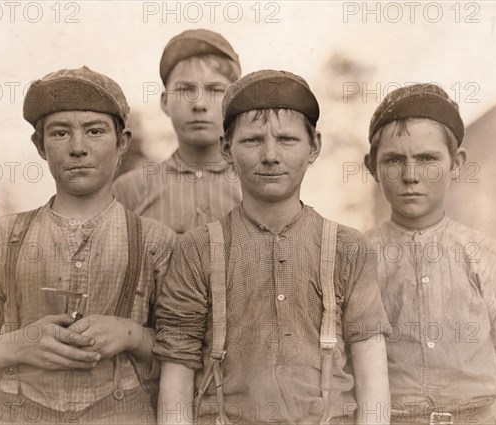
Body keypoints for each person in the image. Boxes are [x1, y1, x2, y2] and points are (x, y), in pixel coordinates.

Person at [155, 70, 391, 425]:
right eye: (252, 140)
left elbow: (372, 373)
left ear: (314, 147)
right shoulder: (197, 249)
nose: (270, 155)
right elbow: (177, 369)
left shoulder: (348, 248)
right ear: (226, 148)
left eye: (286, 139)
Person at [0, 66, 175, 424]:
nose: (78, 148)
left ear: (122, 143)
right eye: (60, 133)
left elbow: (190, 354)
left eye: (95, 131)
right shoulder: (3, 237)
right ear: (40, 145)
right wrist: (18, 344)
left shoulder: (155, 242)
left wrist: (130, 335)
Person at [364, 83, 496, 424]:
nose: (410, 176)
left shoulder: (490, 259)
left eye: (427, 159)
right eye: (394, 160)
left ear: (456, 163)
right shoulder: (356, 258)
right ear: (372, 166)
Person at [113, 29, 242, 235]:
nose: (199, 104)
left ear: (233, 102)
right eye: (185, 90)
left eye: (215, 90)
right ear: (165, 102)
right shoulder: (129, 190)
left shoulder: (256, 186)